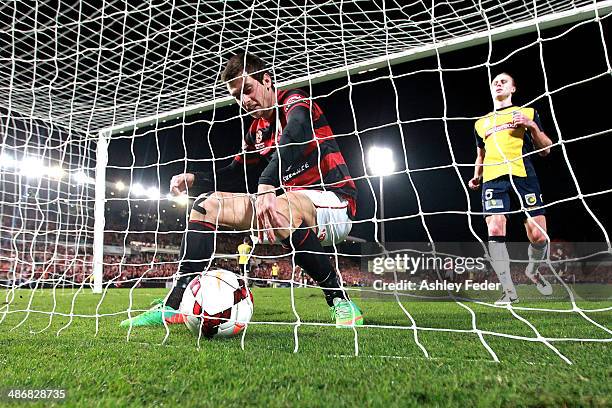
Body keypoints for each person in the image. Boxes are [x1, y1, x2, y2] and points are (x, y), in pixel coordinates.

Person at [121, 52, 363, 328]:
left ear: (267, 81)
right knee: (205, 204)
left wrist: (267, 183)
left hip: (335, 204)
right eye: (237, 97)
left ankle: (340, 300)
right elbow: (234, 174)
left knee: (285, 203)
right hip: (286, 209)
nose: (244, 101)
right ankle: (176, 302)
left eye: (247, 90)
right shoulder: (256, 131)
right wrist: (194, 179)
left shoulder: (294, 102)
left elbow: (296, 134)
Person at [468, 72, 554, 304]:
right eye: (494, 81)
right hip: (494, 180)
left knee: (538, 236)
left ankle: (533, 272)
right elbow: (480, 155)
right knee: (495, 228)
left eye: (503, 81)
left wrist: (532, 127)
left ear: (513, 89)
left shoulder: (528, 112)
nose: (497, 83)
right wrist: (477, 176)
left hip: (524, 176)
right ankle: (508, 291)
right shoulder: (480, 123)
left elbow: (546, 149)